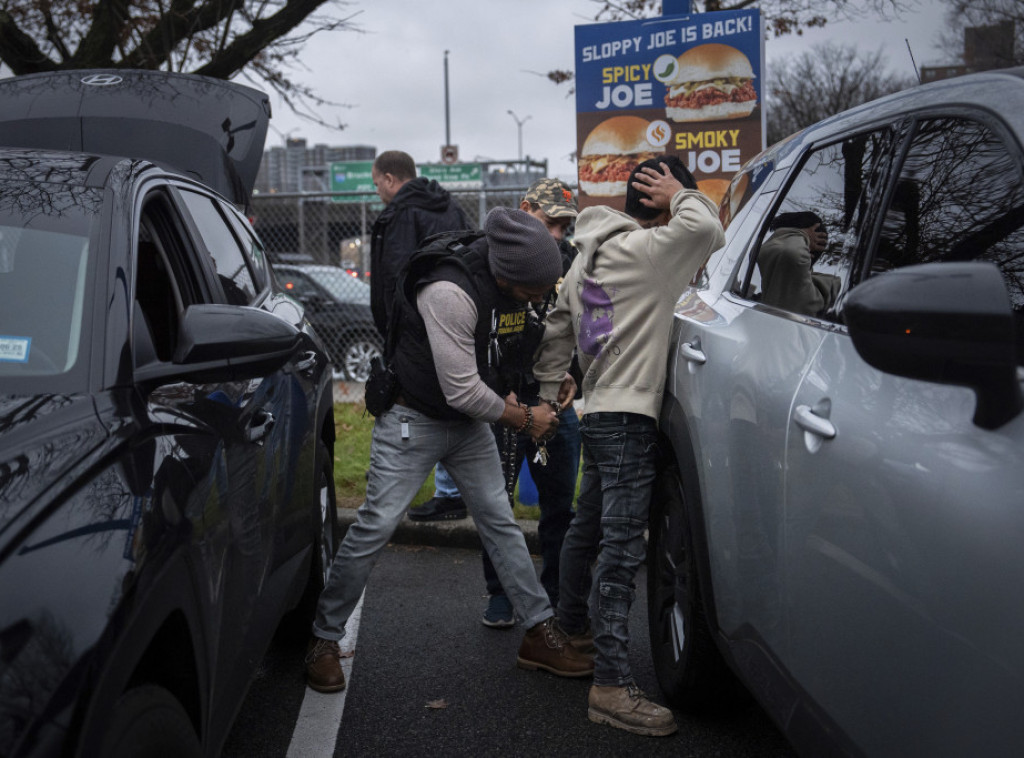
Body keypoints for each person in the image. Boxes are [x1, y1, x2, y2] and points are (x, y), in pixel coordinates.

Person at [305, 207, 594, 693]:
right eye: (537, 291)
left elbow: (513, 346)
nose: (541, 298)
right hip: (411, 419)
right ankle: (323, 639)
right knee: (374, 525)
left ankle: (538, 633)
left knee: (500, 522)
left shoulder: (511, 288)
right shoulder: (448, 292)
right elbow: (462, 389)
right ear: (508, 276)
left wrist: (553, 377)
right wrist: (526, 418)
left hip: (466, 424)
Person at [532, 155, 725, 736]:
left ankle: (569, 633)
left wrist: (549, 395)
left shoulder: (583, 259)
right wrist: (683, 193)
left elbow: (554, 340)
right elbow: (708, 229)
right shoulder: (652, 252)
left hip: (596, 412)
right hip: (631, 414)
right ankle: (611, 685)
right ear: (661, 199)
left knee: (585, 527)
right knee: (620, 551)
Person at [478, 178, 582, 628]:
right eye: (551, 222)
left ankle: (555, 592)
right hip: (508, 400)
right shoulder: (497, 258)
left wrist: (573, 376)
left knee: (560, 502)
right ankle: (500, 593)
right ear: (525, 209)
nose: (557, 235)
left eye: (564, 226)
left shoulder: (575, 261)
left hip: (555, 401)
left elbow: (586, 325)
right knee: (497, 504)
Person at [369, 149, 471, 522]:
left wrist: (395, 327)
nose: (377, 188)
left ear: (392, 179)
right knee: (452, 398)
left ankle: (429, 491)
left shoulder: (399, 214)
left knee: (408, 402)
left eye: (377, 181)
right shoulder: (448, 206)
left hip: (413, 328)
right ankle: (451, 489)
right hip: (455, 316)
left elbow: (395, 275)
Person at [757, 211, 839, 316]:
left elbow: (791, 253)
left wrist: (801, 236)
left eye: (781, 237)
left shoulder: (823, 290)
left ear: (806, 249)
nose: (768, 243)